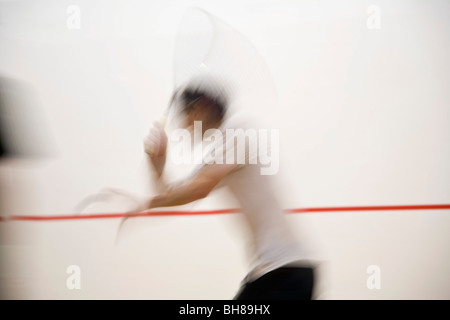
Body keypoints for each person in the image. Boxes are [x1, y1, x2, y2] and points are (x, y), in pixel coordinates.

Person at [135, 78, 316, 300]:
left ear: (201, 108)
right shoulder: (223, 151)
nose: (183, 125)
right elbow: (180, 194)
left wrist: (143, 204)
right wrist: (158, 170)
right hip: (269, 274)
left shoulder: (238, 134)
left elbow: (195, 190)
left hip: (286, 274)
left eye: (185, 114)